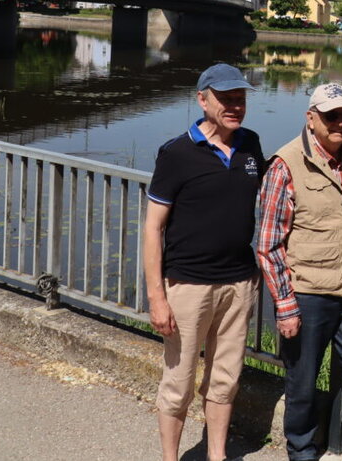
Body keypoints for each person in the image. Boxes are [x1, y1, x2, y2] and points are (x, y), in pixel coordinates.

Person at [142, 63, 264, 461]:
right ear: (202, 99)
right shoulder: (177, 153)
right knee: (178, 383)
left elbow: (276, 187)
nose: (235, 106)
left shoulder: (250, 145)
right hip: (188, 285)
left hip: (239, 283)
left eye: (240, 98)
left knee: (225, 380)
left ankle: (217, 455)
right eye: (225, 98)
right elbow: (153, 228)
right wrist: (157, 298)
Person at [257, 83, 342, 461]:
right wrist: (285, 306)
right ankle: (302, 453)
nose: (340, 123)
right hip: (307, 294)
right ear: (311, 118)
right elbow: (268, 244)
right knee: (303, 385)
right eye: (331, 116)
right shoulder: (285, 165)